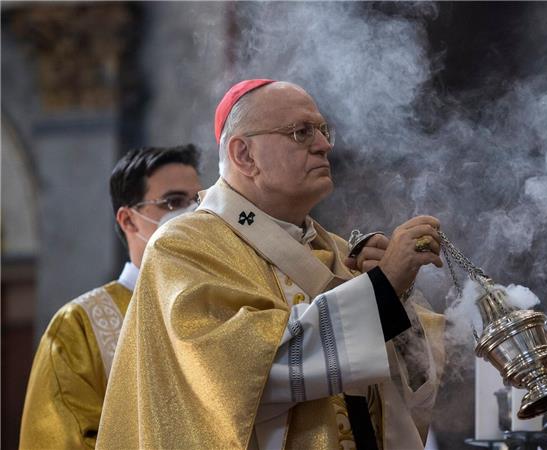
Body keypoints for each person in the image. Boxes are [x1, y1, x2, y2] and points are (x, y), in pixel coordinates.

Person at [97, 79, 446, 450]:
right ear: (244, 155)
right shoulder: (184, 247)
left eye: (324, 131)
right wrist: (380, 291)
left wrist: (398, 298)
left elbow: (402, 386)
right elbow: (247, 373)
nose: (325, 145)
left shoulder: (339, 250)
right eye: (301, 132)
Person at [19, 144, 203, 449]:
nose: (192, 214)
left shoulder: (220, 305)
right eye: (173, 202)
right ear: (128, 220)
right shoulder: (79, 326)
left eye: (198, 201)